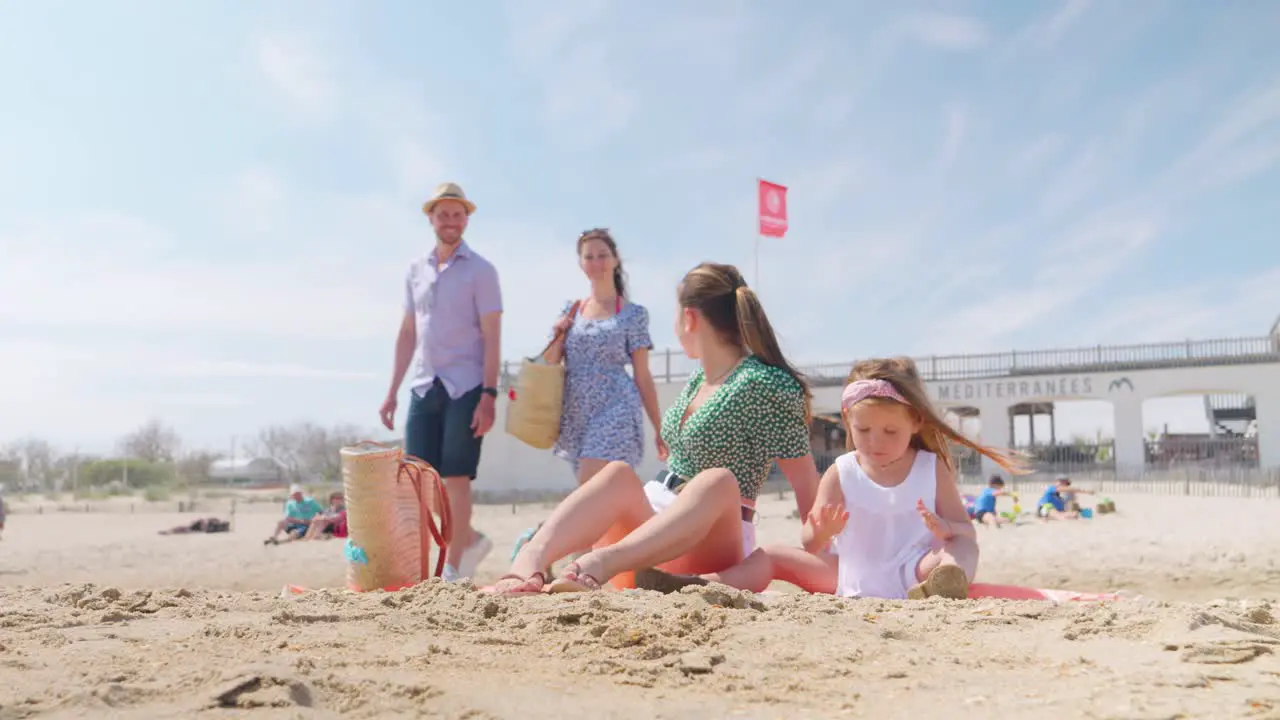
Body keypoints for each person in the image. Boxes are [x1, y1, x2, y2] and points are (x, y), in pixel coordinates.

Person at [492, 262, 821, 594]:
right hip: (652, 527)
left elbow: (805, 479)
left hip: (708, 537)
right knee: (617, 473)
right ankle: (527, 564)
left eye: (677, 318)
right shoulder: (699, 378)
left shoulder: (765, 382)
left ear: (690, 318)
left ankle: (600, 563)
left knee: (717, 480)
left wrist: (821, 552)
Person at [636, 357, 1029, 600]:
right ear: (847, 422)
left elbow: (966, 531)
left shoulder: (930, 468)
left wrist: (945, 529)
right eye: (863, 431)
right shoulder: (842, 471)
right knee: (771, 555)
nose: (876, 443)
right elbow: (809, 543)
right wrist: (821, 533)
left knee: (963, 550)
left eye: (890, 432)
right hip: (848, 573)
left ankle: (947, 584)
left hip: (917, 573)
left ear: (915, 423)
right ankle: (699, 585)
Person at [509, 230, 664, 573]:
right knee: (595, 501)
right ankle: (590, 568)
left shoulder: (633, 314)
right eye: (589, 256)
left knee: (590, 487)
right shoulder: (572, 309)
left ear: (616, 259)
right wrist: (558, 332)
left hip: (616, 407)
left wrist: (658, 427)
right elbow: (550, 360)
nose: (596, 262)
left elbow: (643, 375)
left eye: (602, 254)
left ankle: (537, 545)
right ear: (581, 264)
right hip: (575, 412)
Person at [379, 182, 502, 582]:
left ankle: (451, 566)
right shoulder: (415, 270)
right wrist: (391, 391)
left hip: (466, 385)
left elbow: (492, 334)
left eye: (458, 214)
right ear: (430, 218)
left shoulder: (482, 271)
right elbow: (407, 333)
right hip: (422, 385)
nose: (451, 221)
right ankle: (468, 540)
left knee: (455, 477)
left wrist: (488, 393)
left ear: (467, 219)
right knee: (417, 482)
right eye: (443, 214)